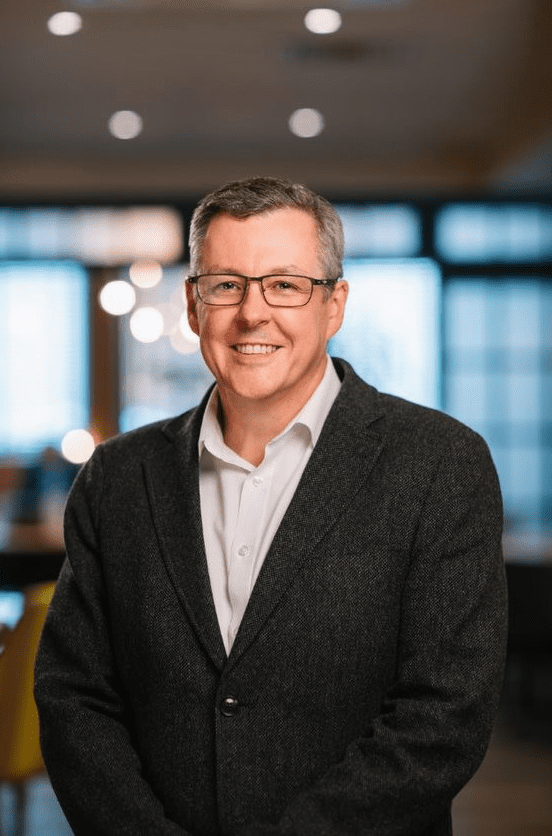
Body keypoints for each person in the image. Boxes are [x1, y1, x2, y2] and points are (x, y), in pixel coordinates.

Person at [34, 177, 507, 836]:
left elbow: (445, 713)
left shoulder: (439, 465)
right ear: (194, 306)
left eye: (284, 284)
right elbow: (73, 694)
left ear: (334, 304)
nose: (252, 313)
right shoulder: (116, 478)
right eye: (226, 284)